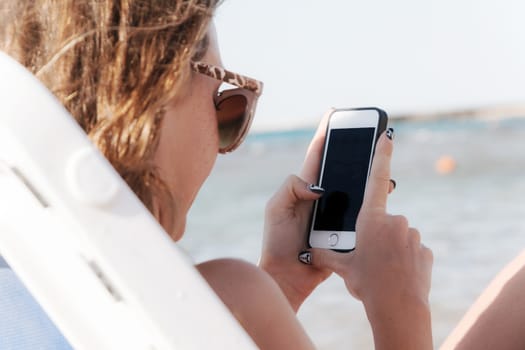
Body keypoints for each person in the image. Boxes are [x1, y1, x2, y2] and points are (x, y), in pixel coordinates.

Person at [0, 1, 433, 349]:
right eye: (227, 104)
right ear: (152, 95)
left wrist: (280, 282)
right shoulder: (231, 294)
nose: (224, 146)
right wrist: (401, 307)